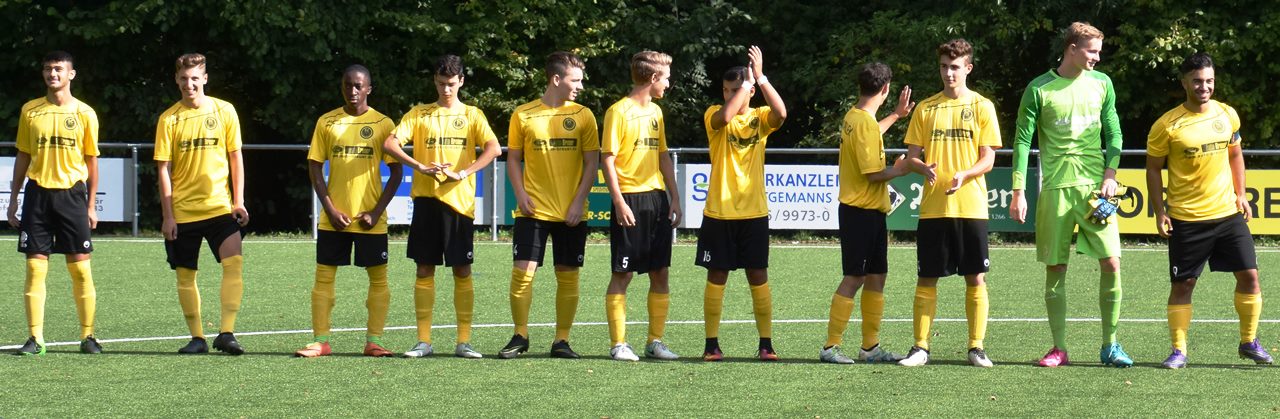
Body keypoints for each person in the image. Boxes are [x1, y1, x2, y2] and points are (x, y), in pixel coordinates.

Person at [1009, 22, 1132, 368]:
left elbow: (1114, 133)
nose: (1097, 58)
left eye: (1099, 52)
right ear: (1072, 49)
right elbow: (1022, 141)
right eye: (1092, 51)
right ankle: (1059, 348)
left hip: (1096, 193)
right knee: (1056, 266)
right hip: (1056, 192)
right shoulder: (1039, 88)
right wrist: (1018, 190)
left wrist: (1110, 174)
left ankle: (1110, 345)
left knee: (1112, 261)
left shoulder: (1102, 83)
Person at [1145, 52, 1272, 369]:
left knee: (1250, 276)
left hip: (1228, 214)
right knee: (1183, 285)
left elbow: (1235, 155)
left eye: (1209, 81)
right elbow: (1153, 169)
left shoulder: (1227, 114)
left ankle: (1249, 342)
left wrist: (1241, 194)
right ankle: (1178, 350)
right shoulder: (1166, 125)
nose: (1204, 87)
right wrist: (1160, 211)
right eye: (1198, 81)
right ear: (1184, 83)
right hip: (1187, 219)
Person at [383, 55, 500, 359]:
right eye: (440, 83)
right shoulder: (419, 113)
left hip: (459, 205)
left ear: (461, 81)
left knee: (462, 269)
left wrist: (463, 173)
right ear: (434, 81)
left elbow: (493, 148)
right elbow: (390, 144)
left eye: (450, 84)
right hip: (426, 201)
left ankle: (464, 342)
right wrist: (419, 166)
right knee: (424, 269)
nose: (445, 89)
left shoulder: (472, 115)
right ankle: (423, 341)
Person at [897, 39, 1001, 368]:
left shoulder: (982, 106)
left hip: (971, 207)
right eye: (943, 66)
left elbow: (988, 159)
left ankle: (976, 347)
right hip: (933, 208)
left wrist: (965, 174)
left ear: (968, 68)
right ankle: (920, 348)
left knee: (975, 278)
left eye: (955, 67)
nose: (948, 73)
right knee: (927, 278)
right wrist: (922, 167)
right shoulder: (926, 108)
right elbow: (912, 157)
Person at [294, 65, 402, 358]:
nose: (352, 91)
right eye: (347, 85)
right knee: (323, 279)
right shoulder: (327, 122)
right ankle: (320, 341)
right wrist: (329, 208)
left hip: (370, 221)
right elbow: (315, 166)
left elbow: (396, 172)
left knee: (378, 280)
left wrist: (376, 212)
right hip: (333, 220)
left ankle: (374, 341)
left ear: (369, 89)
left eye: (358, 86)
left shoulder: (383, 123)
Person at [500, 51, 599, 359]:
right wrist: (520, 194)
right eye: (576, 80)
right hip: (533, 210)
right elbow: (513, 159)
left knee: (568, 275)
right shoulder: (523, 114)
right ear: (556, 79)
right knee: (522, 273)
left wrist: (579, 201)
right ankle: (520, 335)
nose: (581, 86)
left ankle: (562, 340)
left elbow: (592, 163)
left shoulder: (584, 115)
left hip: (571, 212)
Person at [155, 53, 249, 355]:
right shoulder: (169, 119)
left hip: (220, 207)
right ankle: (197, 338)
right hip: (183, 212)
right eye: (184, 78)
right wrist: (168, 216)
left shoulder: (224, 110)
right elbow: (163, 170)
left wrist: (239, 201)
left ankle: (226, 333)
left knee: (234, 264)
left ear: (205, 79)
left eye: (195, 78)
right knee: (186, 275)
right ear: (176, 80)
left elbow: (235, 157)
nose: (189, 84)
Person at [819, 62, 913, 365]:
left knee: (876, 276)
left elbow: (872, 133)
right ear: (885, 89)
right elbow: (873, 174)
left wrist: (896, 115)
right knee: (855, 276)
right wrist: (901, 170)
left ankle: (870, 348)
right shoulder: (863, 123)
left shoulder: (855, 116)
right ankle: (830, 347)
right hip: (859, 211)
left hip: (871, 212)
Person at [8, 50, 101, 355]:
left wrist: (90, 205)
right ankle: (35, 339)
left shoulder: (85, 113)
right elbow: (23, 155)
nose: (53, 74)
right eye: (48, 69)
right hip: (37, 196)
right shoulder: (30, 111)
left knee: (81, 270)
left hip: (72, 196)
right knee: (35, 270)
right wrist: (14, 199)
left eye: (59, 69)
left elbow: (91, 161)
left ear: (71, 74)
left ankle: (88, 336)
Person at [698, 46, 787, 361]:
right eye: (728, 90)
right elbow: (725, 116)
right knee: (717, 276)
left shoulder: (759, 118)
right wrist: (747, 84)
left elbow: (781, 114)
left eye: (736, 90)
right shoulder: (714, 113)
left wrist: (761, 78)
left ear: (750, 92)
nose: (731, 95)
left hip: (754, 213)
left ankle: (766, 344)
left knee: (758, 276)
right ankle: (711, 344)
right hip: (719, 213)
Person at [600, 51, 682, 361]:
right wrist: (619, 201)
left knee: (660, 272)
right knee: (623, 273)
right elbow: (608, 159)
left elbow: (662, 156)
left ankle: (654, 341)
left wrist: (674, 197)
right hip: (630, 199)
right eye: (666, 78)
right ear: (653, 78)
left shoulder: (657, 112)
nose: (668, 84)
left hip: (656, 199)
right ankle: (618, 344)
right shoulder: (618, 112)